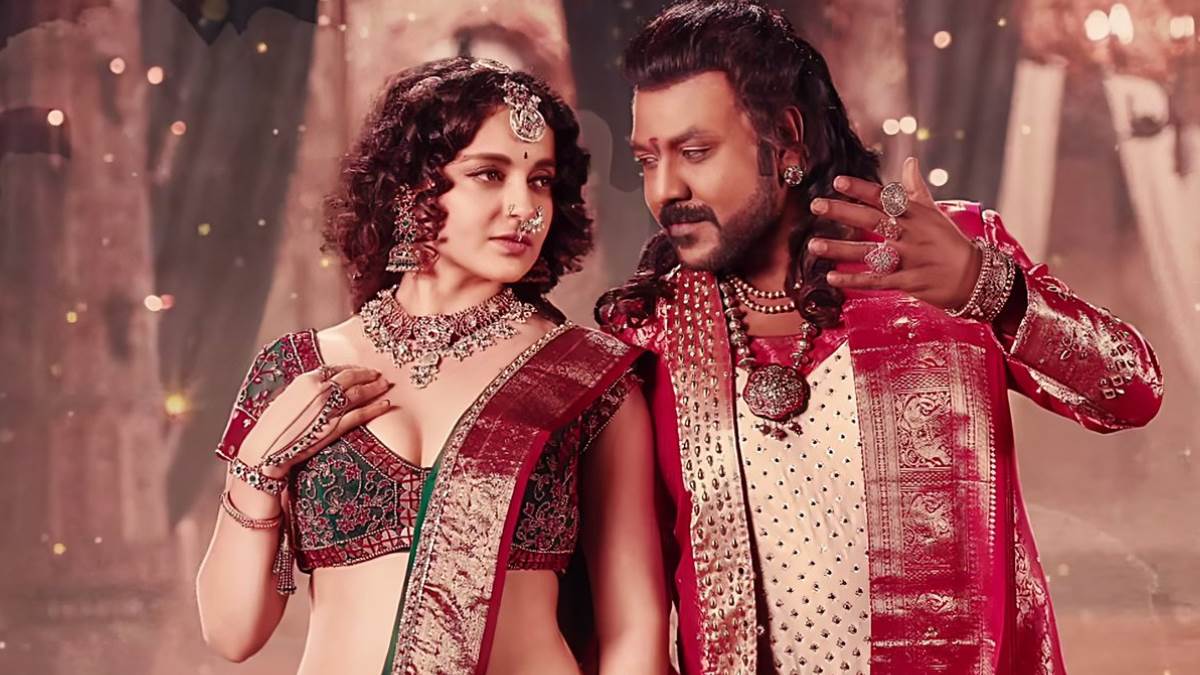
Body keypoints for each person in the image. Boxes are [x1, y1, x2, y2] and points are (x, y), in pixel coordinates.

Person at [597, 2, 1164, 673]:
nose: (665, 189)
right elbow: (629, 603)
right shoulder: (653, 329)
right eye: (647, 159)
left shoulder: (937, 261)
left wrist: (991, 288)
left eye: (695, 152)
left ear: (788, 141)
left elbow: (1131, 393)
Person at [196, 57, 667, 675]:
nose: (525, 207)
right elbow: (231, 634)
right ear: (410, 188)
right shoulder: (301, 369)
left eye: (541, 180)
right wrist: (257, 470)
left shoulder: (588, 378)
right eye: (489, 174)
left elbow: (634, 629)